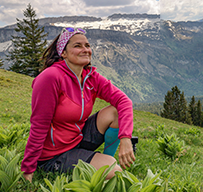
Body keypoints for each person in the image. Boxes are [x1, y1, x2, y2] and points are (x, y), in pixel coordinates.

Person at [21, 27, 135, 182]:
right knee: (115, 172)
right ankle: (104, 166)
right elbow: (39, 125)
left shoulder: (90, 76)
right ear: (63, 53)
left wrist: (125, 138)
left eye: (87, 45)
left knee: (115, 112)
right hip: (54, 155)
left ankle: (105, 160)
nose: (85, 49)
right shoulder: (50, 77)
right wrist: (28, 169)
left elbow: (124, 102)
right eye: (77, 46)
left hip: (77, 139)